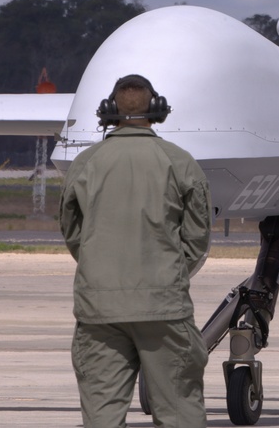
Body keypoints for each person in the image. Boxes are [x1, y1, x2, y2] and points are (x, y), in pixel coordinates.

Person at [59, 74, 212, 427]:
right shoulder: (180, 162)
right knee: (178, 410)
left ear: (109, 111)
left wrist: (101, 266)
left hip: (100, 307)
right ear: (157, 110)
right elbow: (197, 235)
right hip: (163, 306)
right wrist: (167, 273)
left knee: (102, 414)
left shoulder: (85, 163)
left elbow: (72, 230)